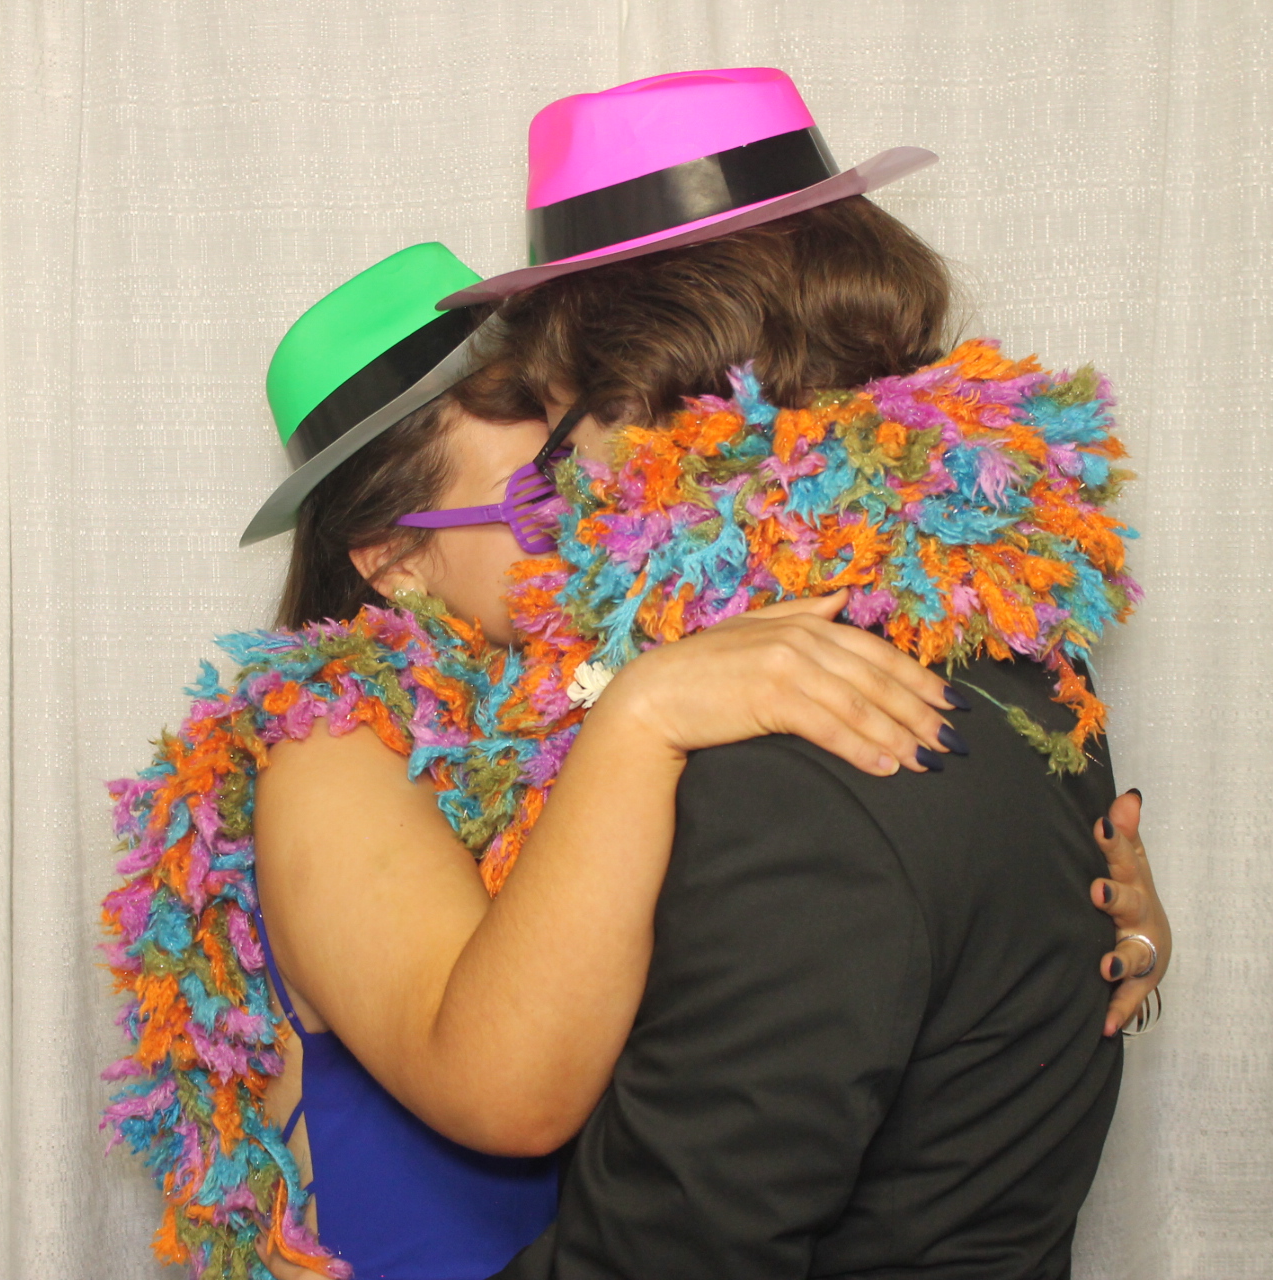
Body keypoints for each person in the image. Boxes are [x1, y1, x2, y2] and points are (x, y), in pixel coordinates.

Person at [103, 229, 1166, 1280]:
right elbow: (506, 1088)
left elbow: (763, 961)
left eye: (595, 464)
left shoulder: (614, 677)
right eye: (544, 501)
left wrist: (1042, 907)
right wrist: (643, 717)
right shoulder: (326, 746)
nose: (606, 512)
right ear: (392, 559)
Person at [432, 68, 1169, 1278]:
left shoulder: (785, 769)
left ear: (646, 403)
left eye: (563, 431)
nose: (563, 495)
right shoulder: (1009, 621)